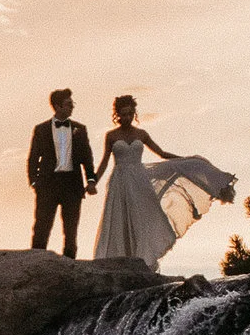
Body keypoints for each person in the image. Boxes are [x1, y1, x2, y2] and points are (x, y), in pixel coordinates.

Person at [92, 94, 237, 270]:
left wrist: (186, 162)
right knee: (120, 219)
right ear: (117, 114)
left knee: (142, 219)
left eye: (130, 114)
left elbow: (161, 154)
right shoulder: (111, 136)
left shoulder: (141, 134)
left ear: (134, 113)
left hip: (139, 181)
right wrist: (92, 182)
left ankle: (142, 259)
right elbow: (104, 162)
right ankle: (121, 261)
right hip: (120, 181)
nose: (127, 118)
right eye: (123, 114)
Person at [27, 88, 96, 256]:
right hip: (47, 185)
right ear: (57, 106)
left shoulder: (80, 129)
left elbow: (87, 157)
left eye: (72, 104)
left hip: (72, 185)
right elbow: (33, 157)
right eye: (68, 104)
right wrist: (34, 182)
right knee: (42, 228)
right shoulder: (41, 129)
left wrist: (91, 180)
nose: (72, 107)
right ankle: (36, 263)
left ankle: (70, 265)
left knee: (71, 231)